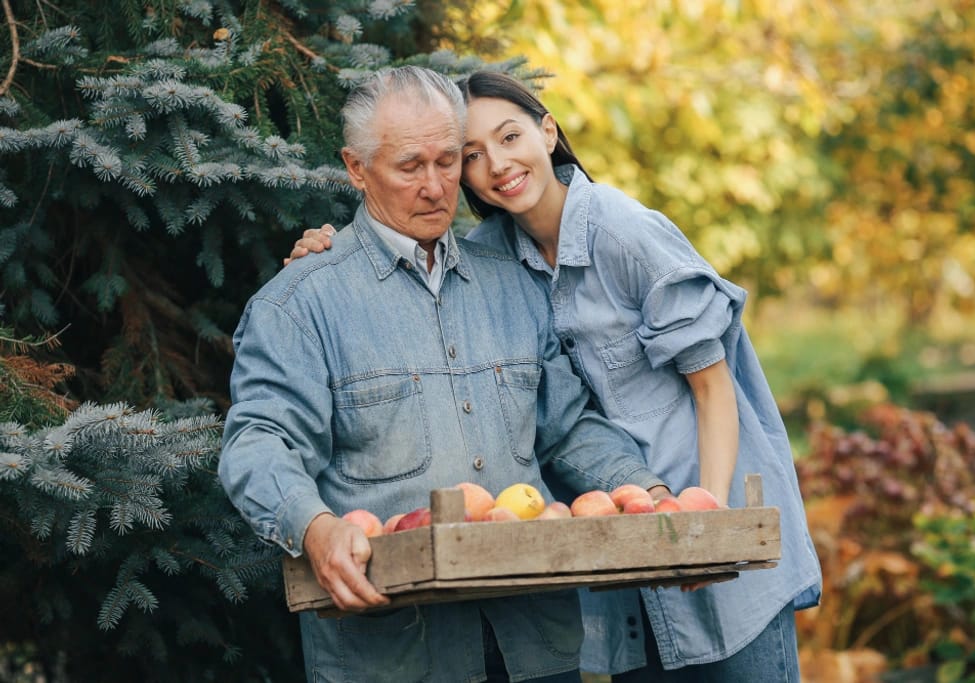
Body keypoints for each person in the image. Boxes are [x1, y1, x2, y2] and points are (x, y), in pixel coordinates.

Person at [289, 70, 823, 682]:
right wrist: (327, 251)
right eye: (472, 155)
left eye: (510, 136)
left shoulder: (622, 230)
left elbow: (713, 386)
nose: (496, 164)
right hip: (610, 535)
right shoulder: (492, 257)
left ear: (548, 131)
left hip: (700, 503)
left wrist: (709, 521)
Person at [219, 65, 674, 683]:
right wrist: (315, 528)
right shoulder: (300, 304)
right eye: (410, 166)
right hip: (395, 656)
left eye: (448, 161)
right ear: (357, 169)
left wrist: (645, 492)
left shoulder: (512, 283)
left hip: (534, 648)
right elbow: (258, 443)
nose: (436, 187)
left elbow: (567, 430)